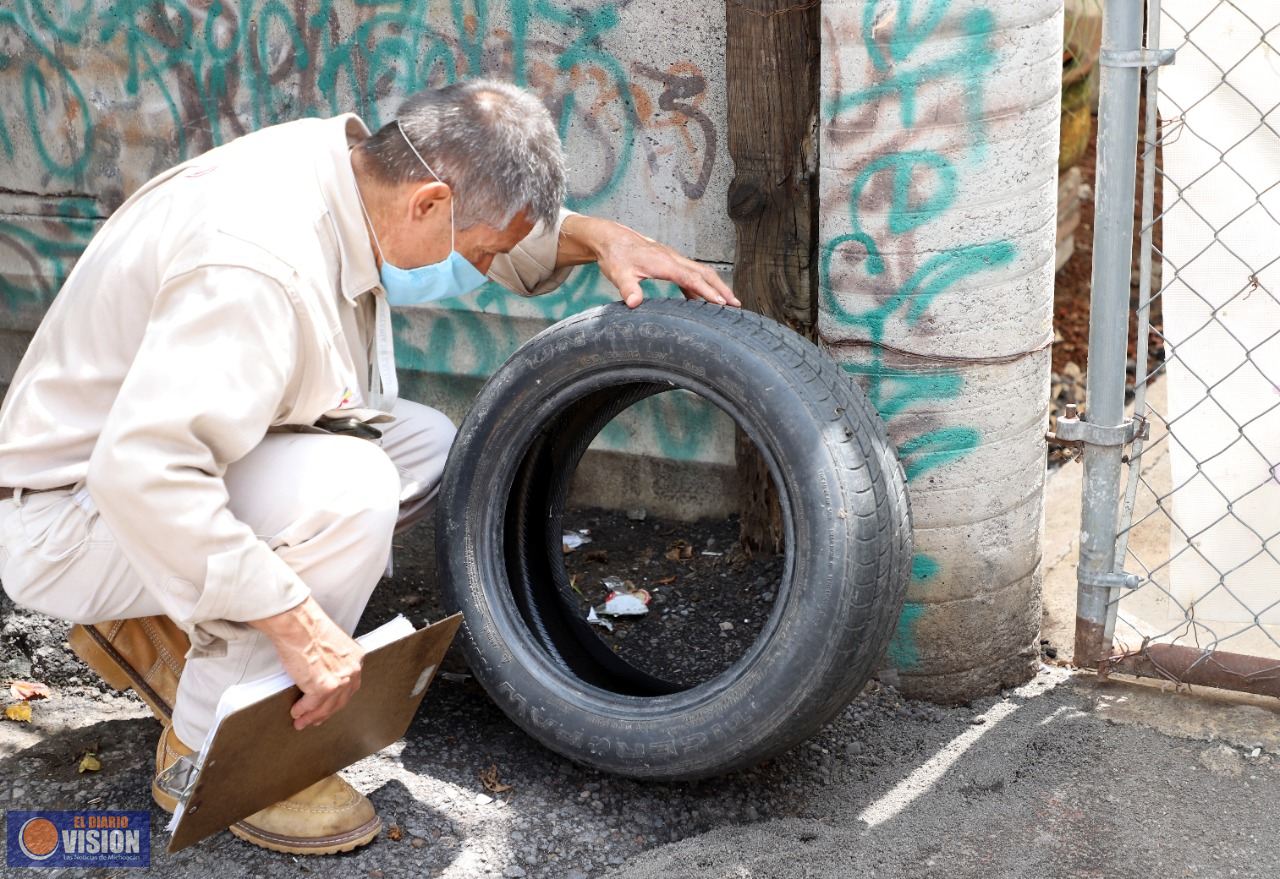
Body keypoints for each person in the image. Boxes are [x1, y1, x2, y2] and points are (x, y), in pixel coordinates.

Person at [0, 79, 739, 855]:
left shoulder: (346, 169)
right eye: (480, 251)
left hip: (142, 467)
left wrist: (598, 237)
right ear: (427, 202)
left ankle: (175, 612)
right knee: (351, 491)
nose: (480, 267)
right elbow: (143, 474)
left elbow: (479, 230)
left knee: (417, 445)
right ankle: (210, 748)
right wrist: (296, 621)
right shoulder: (254, 263)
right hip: (73, 512)